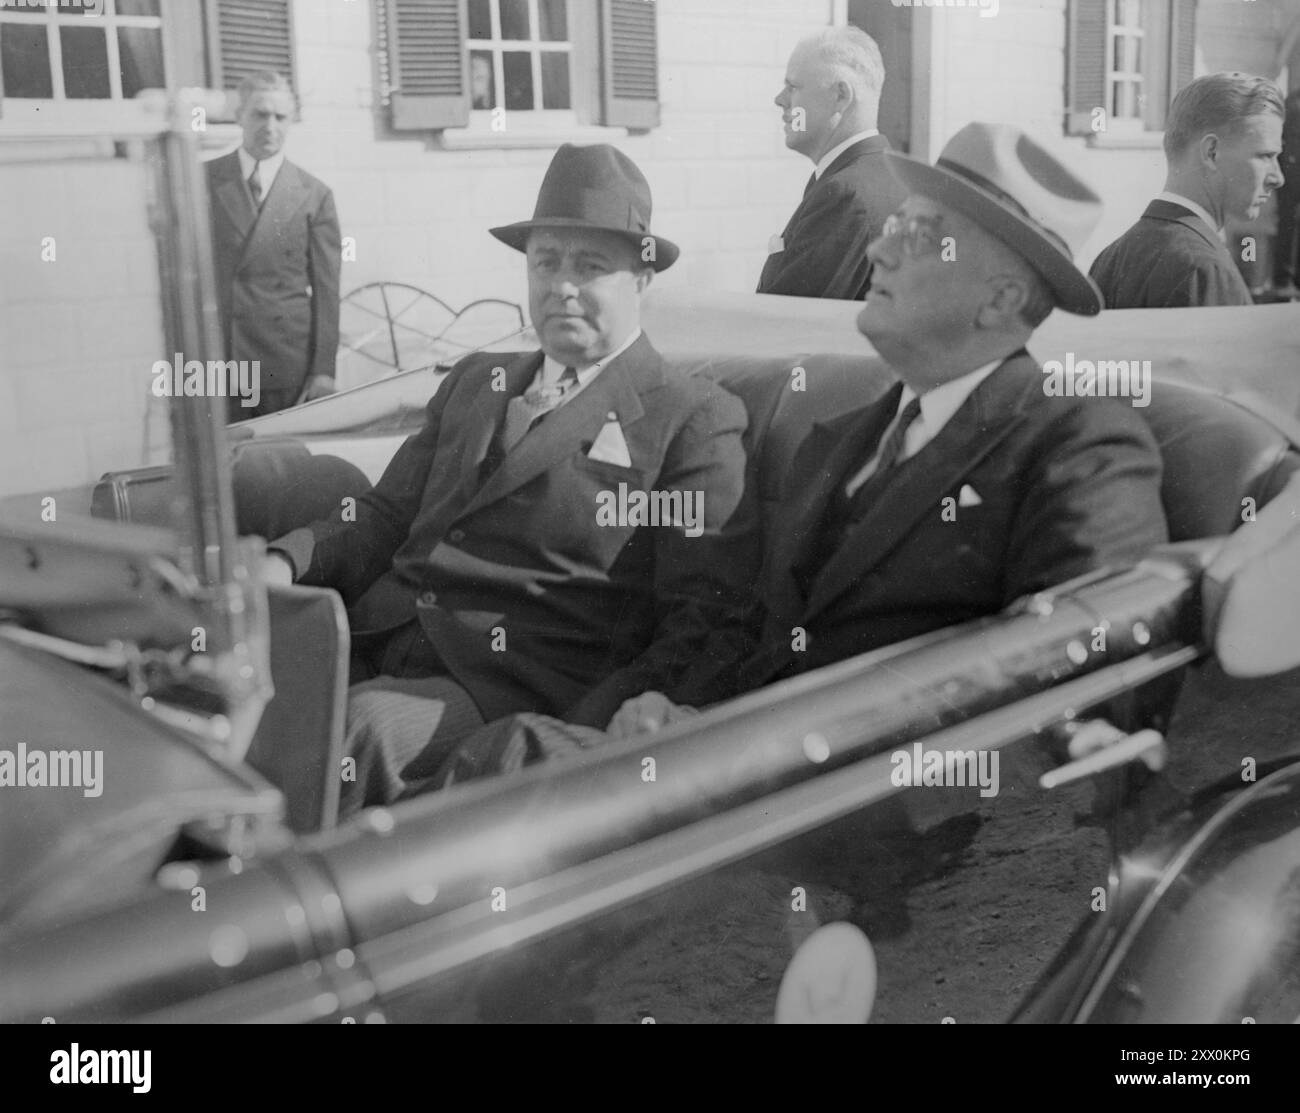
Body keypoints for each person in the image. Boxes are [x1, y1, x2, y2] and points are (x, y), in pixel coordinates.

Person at [426, 122, 1170, 783]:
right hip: (755, 763)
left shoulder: (1077, 444)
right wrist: (677, 710)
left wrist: (758, 751)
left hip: (880, 811)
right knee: (491, 763)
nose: (877, 245)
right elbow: (754, 630)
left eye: (916, 235)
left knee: (501, 761)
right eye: (894, 225)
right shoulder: (841, 443)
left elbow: (1090, 687)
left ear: (1001, 300)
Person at [263, 143, 749, 816]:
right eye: (546, 262)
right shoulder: (476, 381)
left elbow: (700, 617)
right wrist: (280, 564)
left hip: (517, 687)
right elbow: (381, 517)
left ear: (641, 277)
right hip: (374, 634)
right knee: (231, 685)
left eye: (590, 265)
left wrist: (603, 727)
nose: (561, 285)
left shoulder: (688, 417)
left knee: (353, 731)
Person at [207, 71, 341, 420]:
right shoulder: (203, 182)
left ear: (291, 121)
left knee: (283, 464)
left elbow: (328, 291)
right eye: (260, 114)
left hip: (285, 364)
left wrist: (324, 369)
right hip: (221, 363)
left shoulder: (314, 194)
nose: (270, 126)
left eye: (280, 117)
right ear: (239, 117)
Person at [1090, 72, 1286, 309]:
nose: (1278, 178)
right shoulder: (1205, 270)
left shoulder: (1109, 258)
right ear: (1212, 152)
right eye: (1265, 156)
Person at [757, 27, 905, 300]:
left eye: (793, 87)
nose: (780, 100)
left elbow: (787, 326)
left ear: (840, 96)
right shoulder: (888, 173)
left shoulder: (844, 193)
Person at [1270, 87, 1300, 300]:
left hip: (1291, 172)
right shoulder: (1293, 103)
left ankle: (1292, 279)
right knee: (1288, 226)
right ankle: (1283, 279)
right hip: (1291, 175)